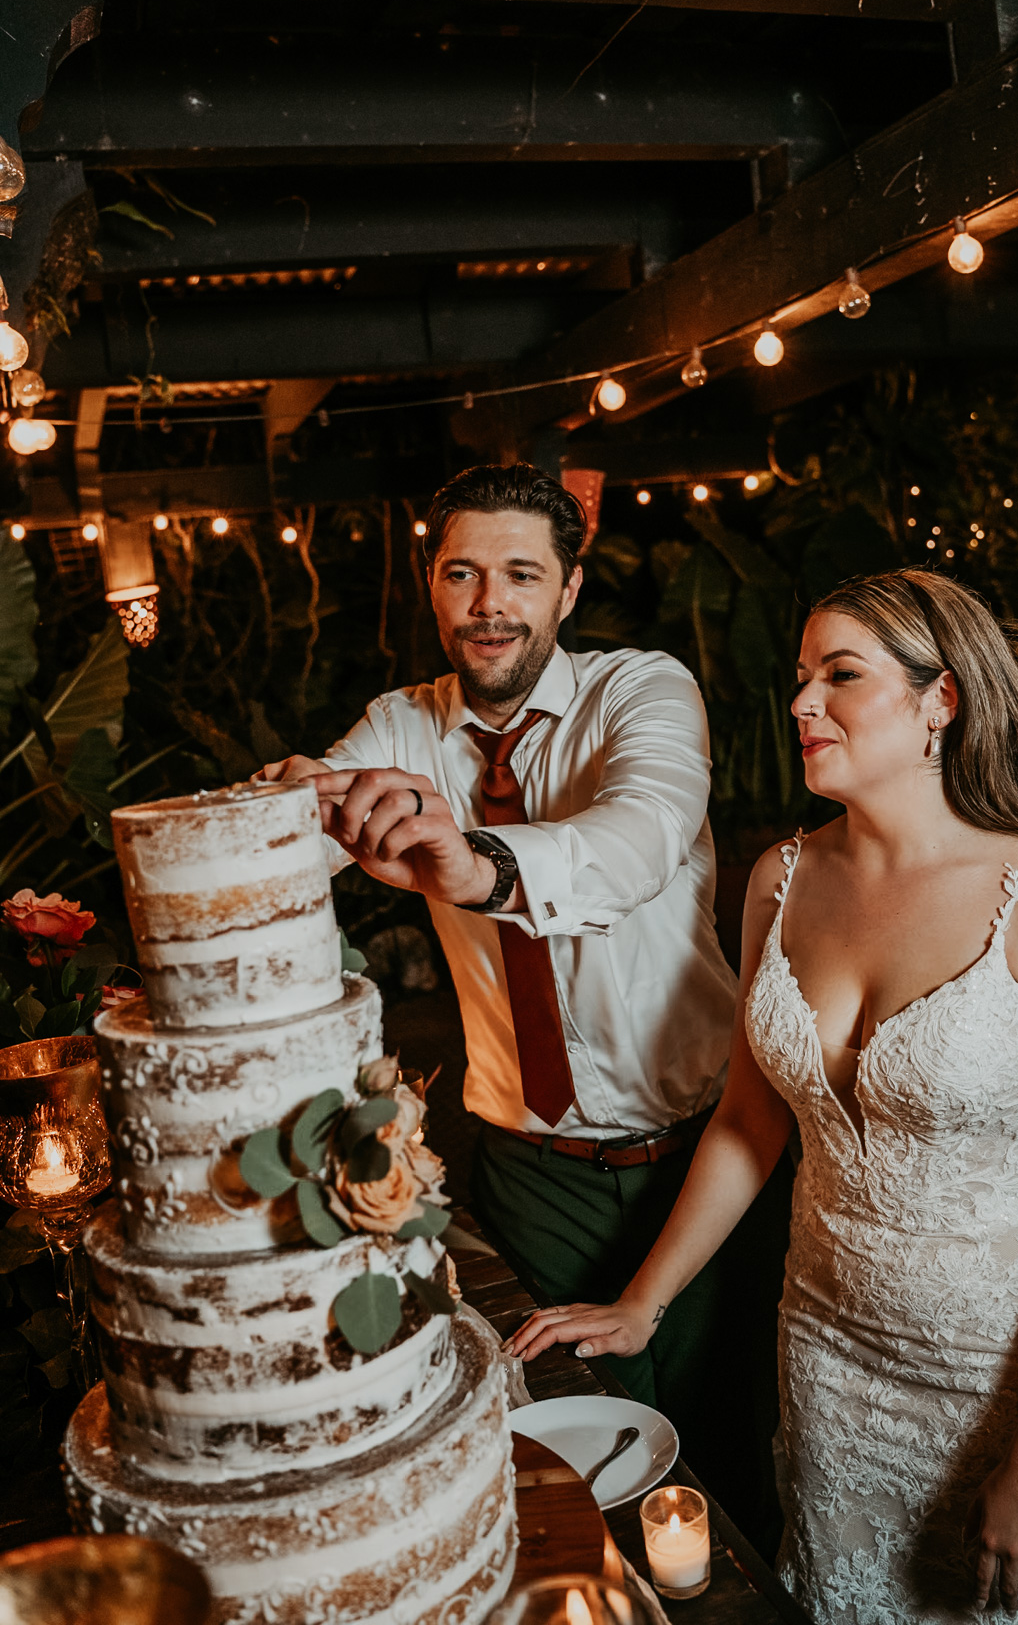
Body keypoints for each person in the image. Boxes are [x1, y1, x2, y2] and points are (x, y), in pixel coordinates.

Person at [509, 568, 1018, 1624]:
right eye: (799, 677)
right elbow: (747, 1118)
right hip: (830, 1354)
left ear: (941, 701)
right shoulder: (779, 878)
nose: (800, 704)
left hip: (1011, 1377)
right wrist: (644, 1300)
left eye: (841, 675)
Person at [260, 462, 791, 1554]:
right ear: (433, 587)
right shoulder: (402, 725)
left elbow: (637, 839)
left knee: (733, 1463)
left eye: (518, 574)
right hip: (526, 1165)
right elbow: (288, 843)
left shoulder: (642, 691)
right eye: (462, 573)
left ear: (568, 590)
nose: (488, 603)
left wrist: (481, 868)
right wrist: (279, 807)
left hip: (702, 1155)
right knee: (580, 1457)